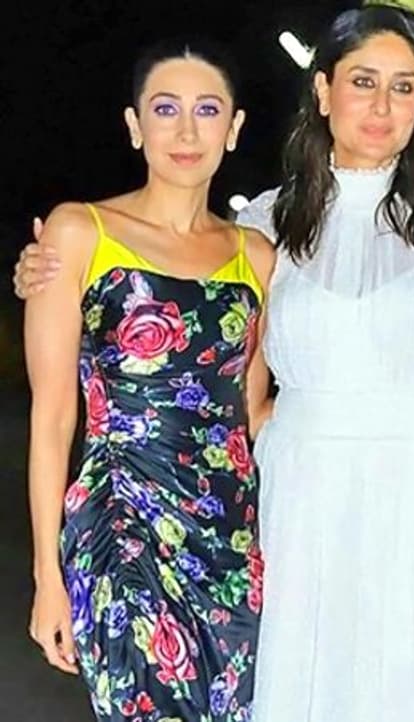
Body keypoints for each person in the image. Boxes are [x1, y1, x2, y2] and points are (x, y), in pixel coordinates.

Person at [16, 7, 414, 722]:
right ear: (323, 91)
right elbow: (229, 380)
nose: (382, 106)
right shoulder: (265, 225)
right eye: (363, 81)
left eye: (404, 87)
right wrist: (40, 272)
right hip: (297, 499)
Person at [25, 39, 274, 721]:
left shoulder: (257, 256)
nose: (186, 131)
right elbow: (53, 417)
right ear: (135, 125)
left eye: (207, 110)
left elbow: (253, 411)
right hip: (121, 520)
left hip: (231, 536)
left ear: (234, 128)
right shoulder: (80, 232)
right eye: (166, 109)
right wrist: (48, 575)